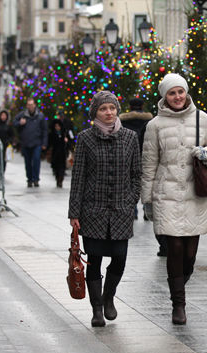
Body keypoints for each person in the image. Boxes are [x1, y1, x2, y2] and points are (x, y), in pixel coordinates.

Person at [141, 73, 207, 325]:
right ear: (164, 97)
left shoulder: (202, 118)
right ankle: (179, 304)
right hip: (165, 193)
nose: (177, 97)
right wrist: (147, 199)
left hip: (194, 193)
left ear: (186, 93)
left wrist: (206, 152)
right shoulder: (154, 125)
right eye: (171, 93)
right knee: (174, 247)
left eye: (180, 92)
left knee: (190, 254)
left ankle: (180, 281)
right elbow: (149, 163)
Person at [68, 91, 141, 327]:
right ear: (95, 112)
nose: (108, 112)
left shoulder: (130, 137)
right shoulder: (86, 138)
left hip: (121, 210)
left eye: (111, 108)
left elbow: (136, 174)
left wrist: (131, 201)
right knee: (94, 261)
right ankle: (97, 308)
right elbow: (78, 178)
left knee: (119, 258)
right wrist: (74, 213)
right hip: (93, 211)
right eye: (103, 109)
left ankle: (109, 296)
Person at [120, 98, 153, 219]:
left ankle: (132, 211)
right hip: (145, 154)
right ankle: (146, 209)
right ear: (142, 106)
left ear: (130, 107)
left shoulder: (123, 121)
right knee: (146, 182)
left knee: (129, 184)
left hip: (128, 155)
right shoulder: (150, 121)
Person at [13, 98, 48, 187]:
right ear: (27, 106)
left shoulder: (40, 116)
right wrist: (20, 123)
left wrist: (44, 143)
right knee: (27, 162)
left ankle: (36, 179)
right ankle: (29, 179)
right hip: (25, 143)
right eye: (29, 105)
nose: (30, 106)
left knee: (36, 160)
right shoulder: (22, 115)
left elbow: (45, 130)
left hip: (37, 143)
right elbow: (14, 123)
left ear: (35, 105)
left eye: (32, 104)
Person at [47, 120, 69, 187]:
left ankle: (60, 180)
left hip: (63, 153)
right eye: (56, 126)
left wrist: (67, 141)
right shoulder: (51, 134)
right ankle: (57, 179)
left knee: (62, 167)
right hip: (55, 154)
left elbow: (70, 140)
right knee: (56, 168)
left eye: (58, 126)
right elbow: (49, 143)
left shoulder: (64, 133)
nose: (57, 127)